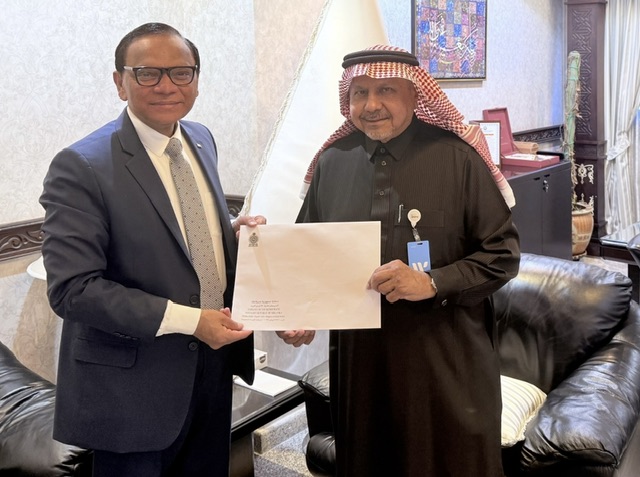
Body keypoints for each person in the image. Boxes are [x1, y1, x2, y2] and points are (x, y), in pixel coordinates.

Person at [278, 45, 520, 476]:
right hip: (360, 364)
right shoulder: (332, 163)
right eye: (360, 93)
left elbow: (502, 255)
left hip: (445, 358)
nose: (371, 105)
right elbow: (308, 254)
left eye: (386, 90)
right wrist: (301, 310)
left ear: (415, 93)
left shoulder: (458, 158)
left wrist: (433, 282)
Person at [39, 22, 265, 477]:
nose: (166, 86)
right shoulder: (81, 166)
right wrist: (192, 321)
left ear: (196, 79)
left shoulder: (200, 139)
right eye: (147, 73)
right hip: (132, 388)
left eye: (181, 72)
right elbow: (73, 290)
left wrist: (230, 234)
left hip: (213, 370)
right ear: (120, 82)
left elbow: (179, 231)